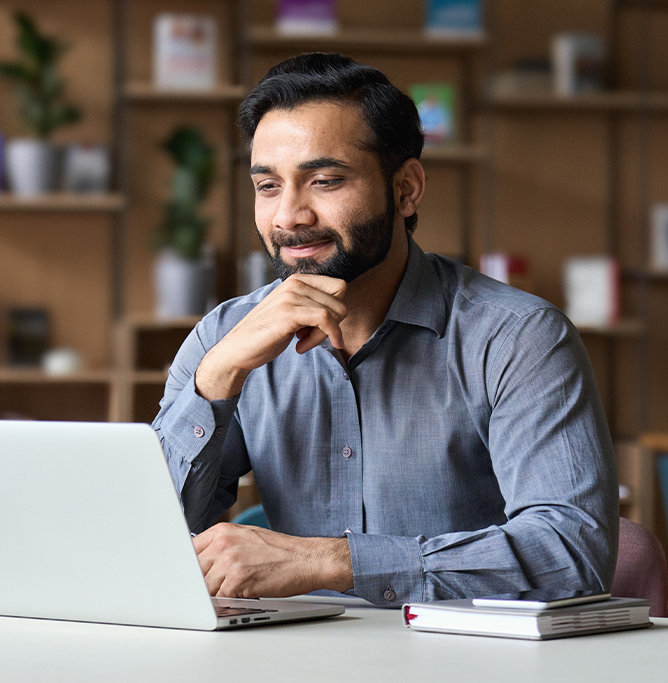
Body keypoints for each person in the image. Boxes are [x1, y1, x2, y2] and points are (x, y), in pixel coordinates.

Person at [152, 53, 618, 606]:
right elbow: (142, 540)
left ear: (406, 189)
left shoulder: (519, 338)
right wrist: (217, 379)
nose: (289, 217)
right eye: (268, 186)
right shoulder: (223, 337)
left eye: (324, 180)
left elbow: (572, 554)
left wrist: (333, 561)